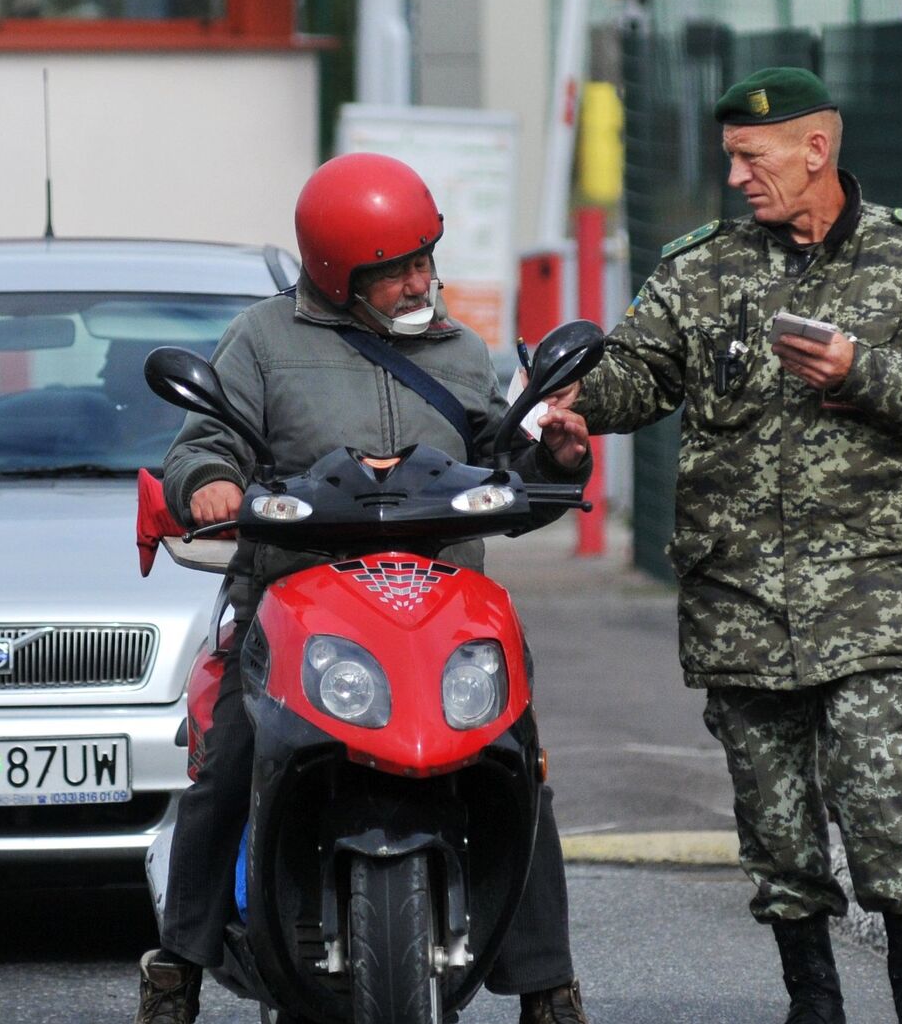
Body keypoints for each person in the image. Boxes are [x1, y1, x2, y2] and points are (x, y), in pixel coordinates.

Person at [542, 67, 902, 1024]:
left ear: (816, 150)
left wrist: (860, 368)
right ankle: (813, 1001)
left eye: (754, 158)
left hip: (873, 586)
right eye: (732, 161)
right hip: (739, 591)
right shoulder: (704, 268)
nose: (740, 178)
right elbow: (640, 372)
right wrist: (578, 410)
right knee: (776, 817)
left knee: (876, 789)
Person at [134, 152, 594, 1024]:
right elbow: (203, 444)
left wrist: (555, 457)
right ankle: (178, 967)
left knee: (518, 764)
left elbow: (501, 472)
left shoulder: (460, 352)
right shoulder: (262, 342)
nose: (424, 279)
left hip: (443, 603)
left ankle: (548, 984)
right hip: (296, 596)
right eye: (400, 269)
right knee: (227, 764)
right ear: (341, 275)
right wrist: (210, 486)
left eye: (426, 257)